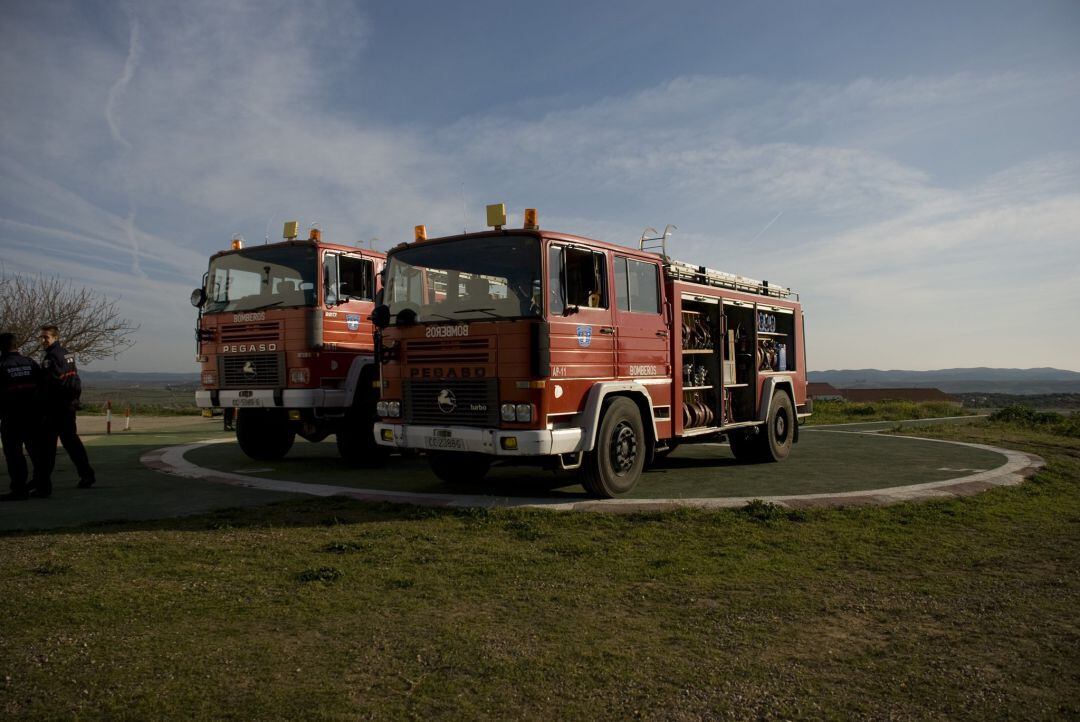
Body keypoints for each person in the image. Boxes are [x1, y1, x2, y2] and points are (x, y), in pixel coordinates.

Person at [36, 325, 96, 494]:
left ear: (55, 337)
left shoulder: (51, 357)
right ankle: (87, 475)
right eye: (41, 337)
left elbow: (51, 384)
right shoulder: (67, 354)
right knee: (72, 443)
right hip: (68, 406)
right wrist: (74, 400)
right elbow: (75, 379)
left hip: (55, 408)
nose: (42, 340)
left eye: (46, 337)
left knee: (47, 448)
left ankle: (42, 485)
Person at [0, 333, 45, 501]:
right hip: (33, 416)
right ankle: (43, 485)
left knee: (14, 454)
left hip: (11, 417)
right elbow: (43, 387)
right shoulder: (30, 363)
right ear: (16, 345)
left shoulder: (1, 365)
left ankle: (19, 489)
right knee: (36, 452)